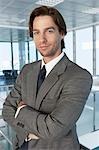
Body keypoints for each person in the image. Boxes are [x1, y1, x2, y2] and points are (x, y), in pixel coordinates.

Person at [2, 6, 93, 150]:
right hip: (22, 145)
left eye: (49, 31)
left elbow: (53, 129)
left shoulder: (78, 76)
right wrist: (33, 130)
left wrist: (21, 111)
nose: (42, 39)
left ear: (62, 33)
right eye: (36, 33)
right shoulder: (27, 70)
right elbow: (7, 110)